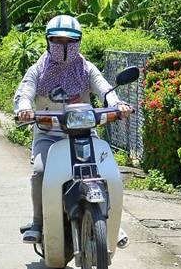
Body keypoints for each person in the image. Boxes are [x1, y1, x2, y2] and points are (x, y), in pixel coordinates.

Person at [12, 15, 133, 244]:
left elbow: (105, 89)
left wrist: (117, 104)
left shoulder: (86, 68)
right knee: (40, 172)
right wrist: (25, 108)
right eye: (58, 41)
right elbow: (25, 91)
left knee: (107, 173)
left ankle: (113, 224)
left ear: (79, 42)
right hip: (49, 134)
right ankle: (38, 222)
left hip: (85, 133)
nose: (64, 47)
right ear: (48, 41)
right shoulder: (38, 69)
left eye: (70, 41)